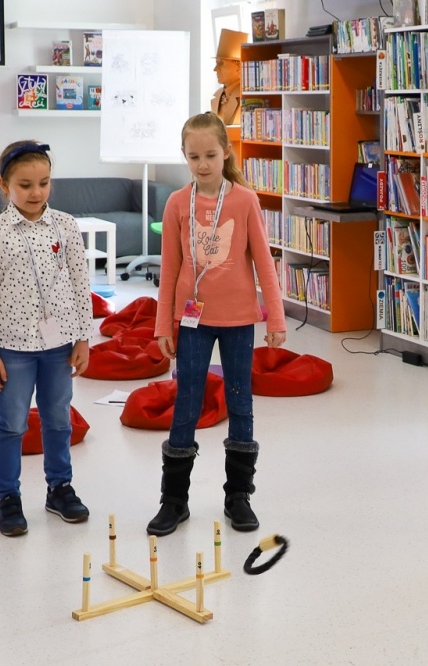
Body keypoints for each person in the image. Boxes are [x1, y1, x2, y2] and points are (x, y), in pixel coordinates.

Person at [150, 112, 284, 537]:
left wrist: (276, 317)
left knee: (240, 402)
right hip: (192, 321)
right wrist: (163, 326)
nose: (203, 164)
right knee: (187, 401)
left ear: (225, 152)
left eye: (210, 155)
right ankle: (174, 501)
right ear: (184, 156)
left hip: (239, 320)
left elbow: (264, 263)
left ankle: (238, 496)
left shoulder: (244, 201)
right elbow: (169, 269)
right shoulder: (177, 203)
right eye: (194, 157)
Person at [0, 140, 91, 536]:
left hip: (60, 346)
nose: (36, 192)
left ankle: (60, 488)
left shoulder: (66, 226)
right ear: (5, 185)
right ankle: (8, 496)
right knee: (11, 424)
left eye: (43, 182)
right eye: (25, 185)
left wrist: (83, 338)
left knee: (58, 419)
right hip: (14, 349)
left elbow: (80, 283)